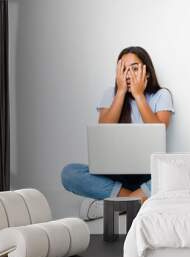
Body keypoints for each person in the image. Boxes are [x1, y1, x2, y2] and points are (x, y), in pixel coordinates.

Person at [61, 46, 174, 220]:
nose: (129, 74)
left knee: (172, 174)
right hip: (115, 173)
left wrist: (138, 95)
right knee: (69, 173)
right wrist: (121, 92)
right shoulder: (110, 94)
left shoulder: (161, 95)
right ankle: (136, 200)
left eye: (135, 68)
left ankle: (114, 205)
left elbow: (158, 129)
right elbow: (104, 129)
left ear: (147, 72)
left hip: (148, 173)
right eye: (124, 69)